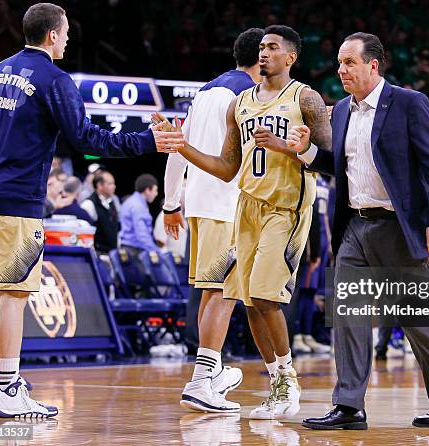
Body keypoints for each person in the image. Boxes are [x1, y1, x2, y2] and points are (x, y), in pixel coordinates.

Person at [0, 3, 172, 419]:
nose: (68, 38)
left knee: (6, 287)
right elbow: (88, 139)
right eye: (66, 33)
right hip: (18, 198)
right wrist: (147, 141)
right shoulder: (54, 79)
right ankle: (7, 388)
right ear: (54, 36)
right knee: (14, 293)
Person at [289, 32, 429, 429]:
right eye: (339, 63)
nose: (341, 70)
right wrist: (305, 152)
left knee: (415, 319)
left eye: (349, 62)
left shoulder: (408, 103)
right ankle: (349, 406)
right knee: (348, 315)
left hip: (397, 226)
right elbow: (340, 164)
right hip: (354, 226)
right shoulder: (339, 111)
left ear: (373, 65)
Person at [160, 25, 333, 419]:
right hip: (246, 208)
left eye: (272, 48)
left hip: (286, 208)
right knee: (250, 299)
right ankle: (276, 381)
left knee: (266, 296)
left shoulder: (306, 97)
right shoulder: (238, 102)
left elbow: (333, 157)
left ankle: (287, 380)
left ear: (290, 57)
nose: (264, 53)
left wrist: (300, 148)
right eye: (261, 47)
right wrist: (182, 145)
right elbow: (226, 168)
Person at [157, 28, 265, 413]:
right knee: (223, 292)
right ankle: (202, 380)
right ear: (262, 58)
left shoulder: (204, 92)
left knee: (209, 291)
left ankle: (211, 371)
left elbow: (175, 146)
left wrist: (171, 203)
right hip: (227, 204)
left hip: (198, 204)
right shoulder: (246, 96)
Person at [81, 170, 121, 255]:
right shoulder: (89, 204)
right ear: (99, 185)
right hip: (98, 253)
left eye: (113, 183)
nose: (114, 186)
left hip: (112, 252)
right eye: (110, 184)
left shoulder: (113, 202)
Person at [119, 173, 159, 255]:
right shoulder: (138, 206)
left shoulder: (129, 202)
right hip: (134, 251)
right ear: (148, 190)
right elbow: (142, 235)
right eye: (155, 190)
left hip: (127, 248)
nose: (156, 194)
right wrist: (157, 252)